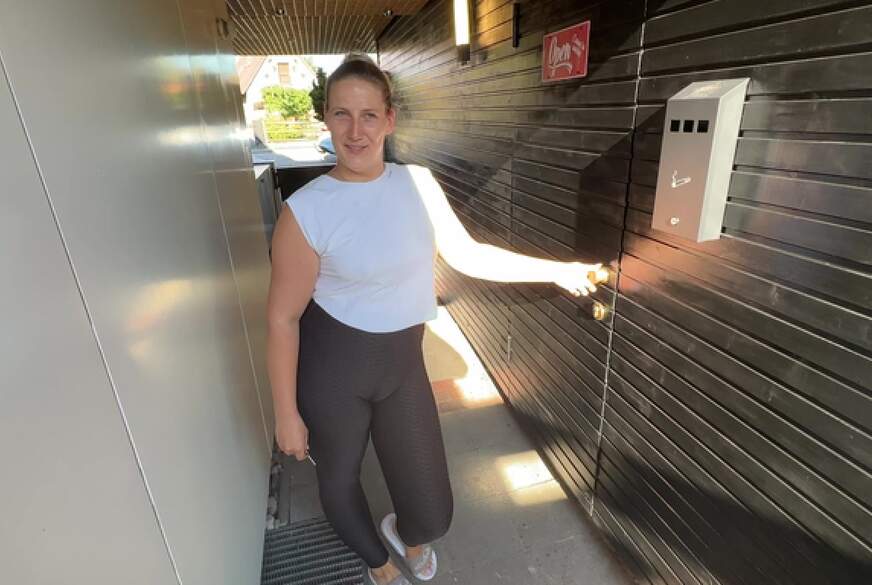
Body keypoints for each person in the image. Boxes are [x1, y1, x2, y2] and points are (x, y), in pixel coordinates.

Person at [266, 54, 603, 585]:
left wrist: (558, 271)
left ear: (390, 119)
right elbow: (283, 318)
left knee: (432, 511)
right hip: (333, 371)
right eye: (341, 114)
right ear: (326, 118)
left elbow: (468, 255)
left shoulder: (418, 184)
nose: (355, 131)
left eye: (369, 115)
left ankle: (408, 534)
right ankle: (379, 567)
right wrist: (286, 412)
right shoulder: (306, 210)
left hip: (401, 367)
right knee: (339, 479)